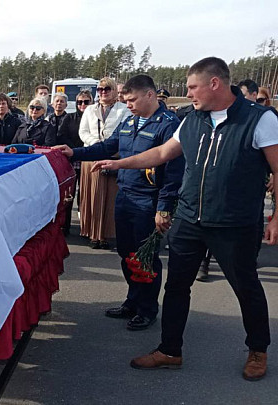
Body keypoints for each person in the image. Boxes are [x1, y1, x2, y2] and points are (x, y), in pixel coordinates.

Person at [92, 57, 278, 381]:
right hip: (190, 220)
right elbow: (162, 154)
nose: (188, 93)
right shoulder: (191, 119)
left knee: (245, 287)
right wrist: (119, 164)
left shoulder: (260, 120)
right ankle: (169, 350)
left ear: (214, 84)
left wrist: (276, 218)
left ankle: (258, 350)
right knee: (176, 287)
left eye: (192, 86)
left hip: (234, 225)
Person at [56, 74, 184, 331]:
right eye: (125, 100)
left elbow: (173, 171)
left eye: (132, 100)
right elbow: (108, 146)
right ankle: (133, 301)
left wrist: (164, 207)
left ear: (151, 95)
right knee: (126, 254)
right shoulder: (130, 120)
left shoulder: (168, 125)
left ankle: (147, 309)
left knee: (144, 257)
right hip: (125, 195)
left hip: (149, 200)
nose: (128, 105)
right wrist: (75, 153)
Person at [78, 77, 130, 249]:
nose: (103, 92)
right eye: (100, 89)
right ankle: (93, 233)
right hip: (92, 156)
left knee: (110, 199)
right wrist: (96, 144)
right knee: (93, 197)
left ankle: (107, 234)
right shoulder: (90, 109)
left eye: (107, 89)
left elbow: (123, 132)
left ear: (115, 91)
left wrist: (106, 147)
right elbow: (83, 131)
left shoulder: (124, 110)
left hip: (113, 157)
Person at [57, 91, 92, 235]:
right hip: (71, 161)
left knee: (86, 195)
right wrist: (75, 149)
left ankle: (87, 228)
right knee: (68, 195)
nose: (82, 105)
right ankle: (65, 226)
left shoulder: (94, 117)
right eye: (79, 102)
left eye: (86, 102)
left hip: (89, 159)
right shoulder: (69, 118)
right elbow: (61, 135)